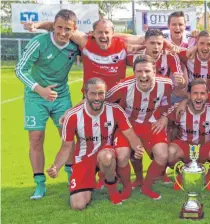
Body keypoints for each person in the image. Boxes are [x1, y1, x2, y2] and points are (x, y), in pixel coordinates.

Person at [47, 77, 145, 209]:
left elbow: (131, 135)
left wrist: (138, 148)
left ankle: (113, 190)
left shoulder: (115, 110)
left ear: (105, 94)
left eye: (101, 93)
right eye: (93, 93)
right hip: (84, 159)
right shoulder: (73, 116)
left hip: (106, 153)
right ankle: (89, 183)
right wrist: (56, 167)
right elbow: (66, 147)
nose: (97, 98)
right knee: (77, 205)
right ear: (86, 94)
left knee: (106, 157)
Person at [16, 9, 80, 199]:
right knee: (36, 138)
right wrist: (39, 89)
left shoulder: (75, 45)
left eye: (67, 29)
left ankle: (71, 177)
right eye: (58, 27)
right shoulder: (39, 43)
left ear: (74, 29)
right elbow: (20, 70)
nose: (62, 32)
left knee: (68, 137)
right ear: (53, 26)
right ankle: (39, 184)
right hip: (36, 97)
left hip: (61, 97)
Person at [106, 55, 184, 199]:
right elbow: (102, 100)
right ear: (134, 72)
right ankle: (127, 187)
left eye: (147, 71)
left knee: (162, 155)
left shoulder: (166, 83)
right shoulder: (123, 86)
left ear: (154, 70)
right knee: (122, 156)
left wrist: (165, 116)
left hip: (152, 124)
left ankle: (146, 187)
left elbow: (173, 102)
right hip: (127, 126)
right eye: (139, 71)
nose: (143, 75)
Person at [166, 79, 210, 192]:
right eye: (195, 93)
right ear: (189, 95)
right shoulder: (179, 108)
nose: (199, 97)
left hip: (205, 147)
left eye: (202, 93)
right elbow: (166, 121)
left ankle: (207, 175)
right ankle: (183, 174)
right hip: (184, 147)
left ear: (207, 95)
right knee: (169, 152)